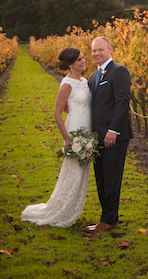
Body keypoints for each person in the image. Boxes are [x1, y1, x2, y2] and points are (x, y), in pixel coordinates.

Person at [21, 47, 93, 227]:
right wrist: (67, 139)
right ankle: (62, 210)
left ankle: (73, 209)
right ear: (70, 64)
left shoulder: (84, 81)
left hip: (87, 128)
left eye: (83, 58)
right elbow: (57, 113)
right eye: (79, 60)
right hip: (75, 129)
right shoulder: (67, 83)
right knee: (73, 172)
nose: (84, 61)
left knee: (82, 173)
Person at [87, 36, 132, 232]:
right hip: (97, 136)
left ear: (110, 50)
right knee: (101, 177)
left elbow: (122, 103)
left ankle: (108, 220)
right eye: (93, 51)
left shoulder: (118, 71)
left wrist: (113, 130)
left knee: (112, 176)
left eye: (100, 50)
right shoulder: (91, 76)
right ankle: (106, 217)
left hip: (114, 135)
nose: (96, 53)